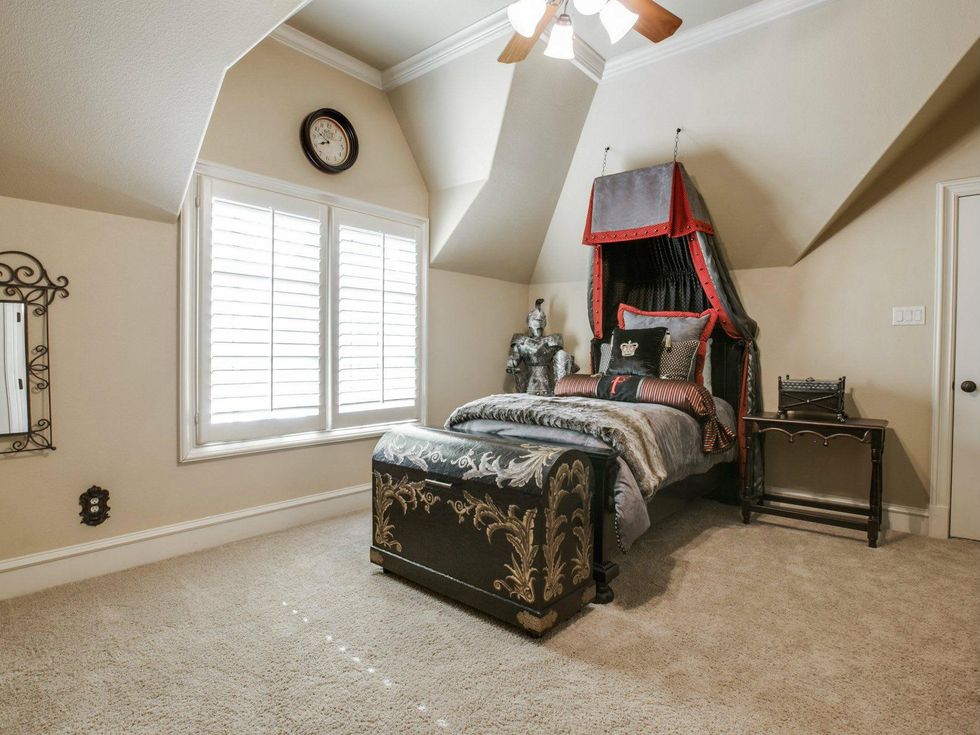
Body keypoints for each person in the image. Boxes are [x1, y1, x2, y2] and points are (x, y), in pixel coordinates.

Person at [506, 299, 578, 395]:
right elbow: (515, 358)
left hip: (549, 384)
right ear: (529, 323)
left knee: (562, 355)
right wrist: (511, 362)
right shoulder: (521, 340)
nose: (538, 324)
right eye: (535, 320)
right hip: (528, 383)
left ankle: (563, 389)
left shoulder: (553, 339)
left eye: (541, 320)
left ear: (544, 322)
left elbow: (561, 360)